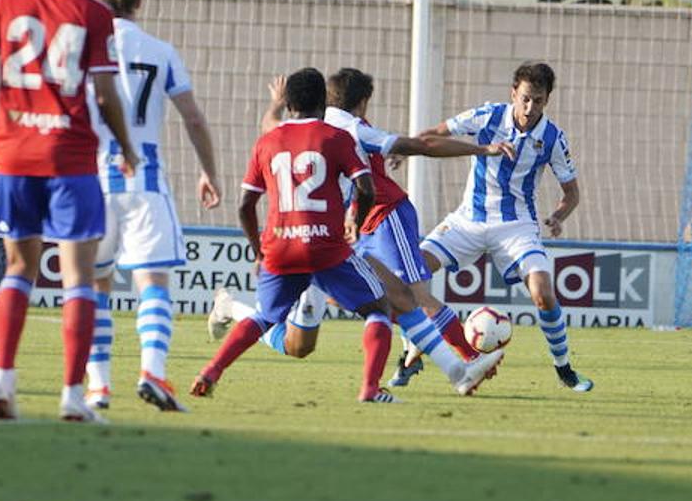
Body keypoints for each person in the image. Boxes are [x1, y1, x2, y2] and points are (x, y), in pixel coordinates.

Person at [190, 67, 502, 404]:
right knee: (376, 307)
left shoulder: (272, 136)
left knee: (291, 331)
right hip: (326, 244)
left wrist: (275, 105)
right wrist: (355, 219)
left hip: (282, 246)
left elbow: (248, 194)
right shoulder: (344, 133)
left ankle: (213, 364)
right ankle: (394, 382)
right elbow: (411, 151)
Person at [0, 0, 138, 422]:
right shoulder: (93, 14)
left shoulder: (8, 2)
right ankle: (73, 397)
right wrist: (127, 145)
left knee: (18, 268)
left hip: (13, 156)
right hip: (71, 159)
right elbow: (103, 91)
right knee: (77, 278)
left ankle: (2, 380)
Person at [396, 62, 593, 392]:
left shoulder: (553, 138)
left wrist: (559, 217)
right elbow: (438, 132)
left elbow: (571, 193)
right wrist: (405, 150)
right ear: (513, 93)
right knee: (410, 274)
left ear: (548, 100)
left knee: (543, 293)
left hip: (516, 225)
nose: (530, 109)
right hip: (467, 220)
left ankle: (564, 368)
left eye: (539, 101)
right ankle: (409, 357)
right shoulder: (487, 116)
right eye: (526, 99)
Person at [81, 0, 222, 413]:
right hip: (145, 181)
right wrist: (209, 172)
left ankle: (98, 386)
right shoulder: (160, 51)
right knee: (153, 282)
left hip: (92, 181)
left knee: (95, 284)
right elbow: (193, 118)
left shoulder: (83, 49)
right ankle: (152, 373)